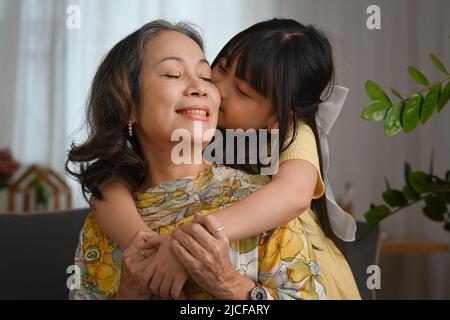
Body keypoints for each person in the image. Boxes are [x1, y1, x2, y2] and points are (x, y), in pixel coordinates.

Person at [67, 19, 359, 300]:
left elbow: (293, 195)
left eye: (204, 76)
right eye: (173, 74)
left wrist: (228, 282)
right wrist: (136, 282)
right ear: (126, 103)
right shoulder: (104, 221)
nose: (211, 88)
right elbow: (106, 185)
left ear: (278, 119)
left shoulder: (281, 162)